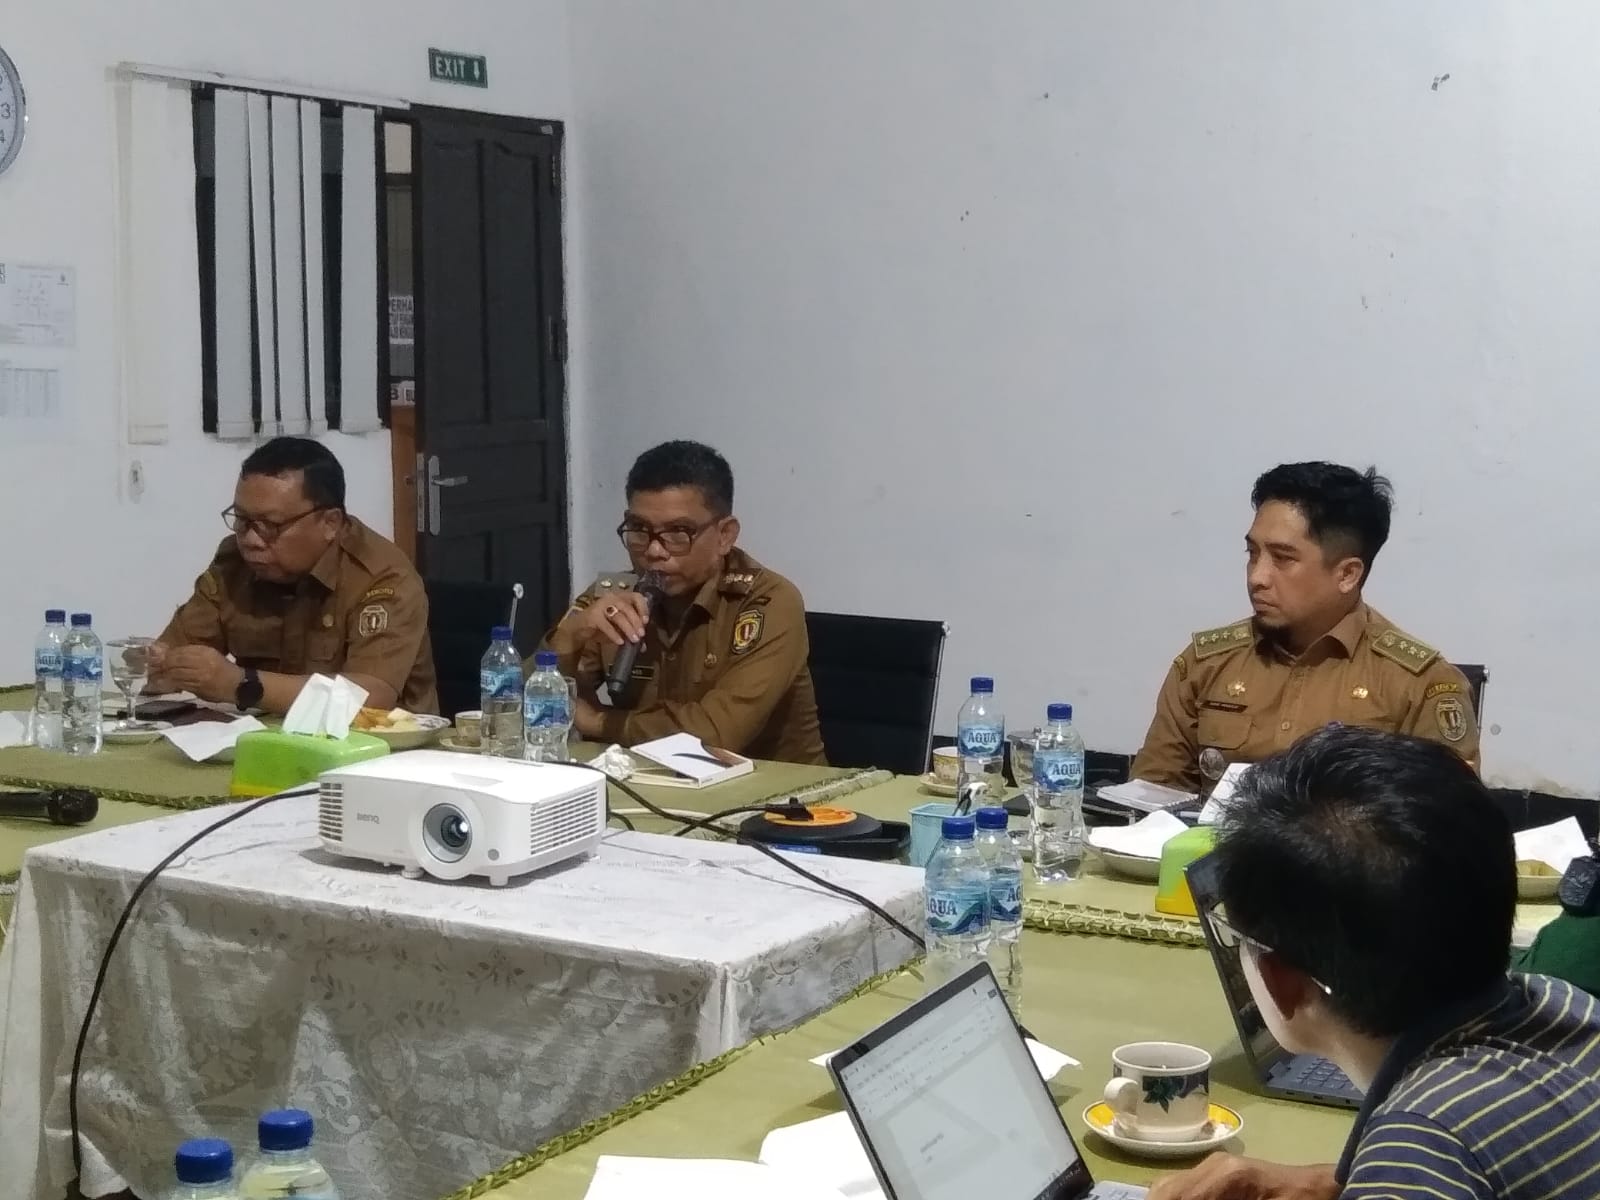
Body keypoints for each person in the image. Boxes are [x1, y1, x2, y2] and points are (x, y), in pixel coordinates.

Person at [1149, 726, 1600, 1200]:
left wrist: (1391, 1173)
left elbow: (1435, 1160)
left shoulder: (1423, 1145)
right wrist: (1333, 1183)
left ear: (1280, 982)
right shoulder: (1566, 1007)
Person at [1131, 463, 1478, 790]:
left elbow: (1446, 821)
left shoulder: (1419, 684)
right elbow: (1152, 795)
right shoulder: (1205, 665)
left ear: (1347, 574)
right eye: (1252, 553)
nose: (1257, 577)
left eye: (1282, 558)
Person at [539, 440, 825, 764]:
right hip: (650, 781)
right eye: (639, 529)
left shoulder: (768, 601)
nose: (654, 551)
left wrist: (597, 721)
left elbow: (716, 735)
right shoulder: (615, 595)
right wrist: (568, 639)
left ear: (725, 535)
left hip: (777, 790)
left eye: (678, 532)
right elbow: (521, 708)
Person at [149, 437, 438, 715]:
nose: (250, 539)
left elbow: (368, 698)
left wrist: (243, 685)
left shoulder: (382, 576)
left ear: (330, 523)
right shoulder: (234, 563)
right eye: (242, 520)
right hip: (267, 736)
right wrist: (163, 664)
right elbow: (170, 657)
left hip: (378, 743)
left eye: (270, 525)